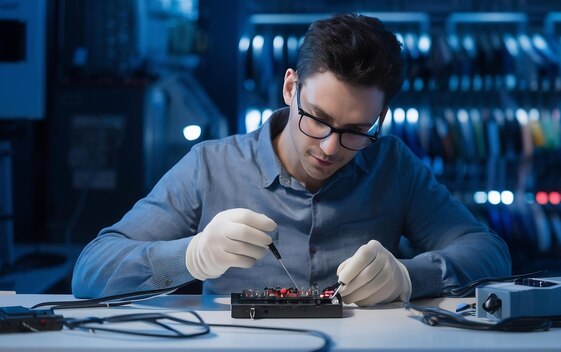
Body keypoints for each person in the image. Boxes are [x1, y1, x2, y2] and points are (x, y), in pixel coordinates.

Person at [72, 13, 511, 306]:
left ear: (382, 117)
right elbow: (91, 270)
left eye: (356, 131)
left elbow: (490, 253)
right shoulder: (209, 167)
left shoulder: (392, 165)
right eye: (317, 119)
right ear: (289, 89)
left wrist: (411, 277)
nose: (329, 147)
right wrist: (191, 255)